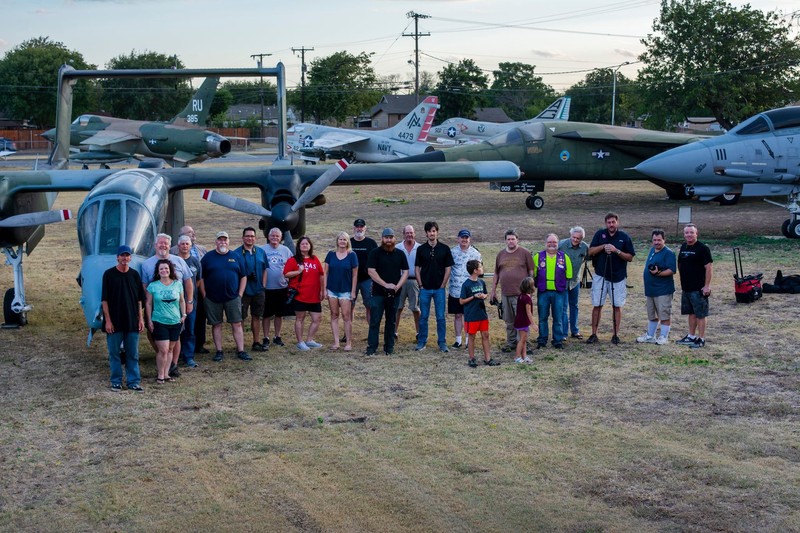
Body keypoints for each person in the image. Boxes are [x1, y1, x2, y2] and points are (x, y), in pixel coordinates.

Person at [140, 233, 194, 377]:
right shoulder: (146, 264)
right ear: (155, 245)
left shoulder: (179, 261)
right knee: (153, 334)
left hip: (176, 308)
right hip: (156, 307)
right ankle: (162, 359)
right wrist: (147, 308)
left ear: (170, 246)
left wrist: (189, 301)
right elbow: (144, 286)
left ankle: (173, 365)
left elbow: (188, 282)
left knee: (176, 337)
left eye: (166, 243)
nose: (163, 245)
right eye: (160, 243)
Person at [199, 231, 251, 362]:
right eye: (220, 240)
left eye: (225, 240)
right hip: (212, 298)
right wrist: (204, 295)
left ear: (229, 241)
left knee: (237, 324)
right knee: (216, 325)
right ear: (216, 242)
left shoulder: (236, 256)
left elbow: (243, 276)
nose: (222, 242)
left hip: (233, 298)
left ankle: (241, 350)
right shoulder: (207, 258)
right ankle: (219, 351)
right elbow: (201, 278)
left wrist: (239, 294)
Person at [101, 245, 146, 392]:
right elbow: (105, 300)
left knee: (132, 353)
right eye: (122, 256)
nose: (125, 258)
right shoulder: (109, 275)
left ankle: (133, 381)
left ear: (130, 258)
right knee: (114, 353)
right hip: (114, 322)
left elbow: (140, 300)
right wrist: (107, 320)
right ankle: (116, 381)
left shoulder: (134, 275)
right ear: (117, 257)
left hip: (131, 321)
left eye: (127, 256)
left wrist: (140, 319)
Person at [586, 213, 635, 345]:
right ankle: (594, 334)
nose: (611, 225)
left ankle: (615, 334)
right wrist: (603, 247)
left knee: (617, 306)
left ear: (617, 222)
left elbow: (630, 257)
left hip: (618, 277)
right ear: (605, 223)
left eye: (613, 222)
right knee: (597, 304)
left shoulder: (624, 237)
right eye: (609, 222)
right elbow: (590, 252)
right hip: (600, 275)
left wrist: (616, 251)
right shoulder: (599, 234)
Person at [490, 229, 535, 353]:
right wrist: (493, 290)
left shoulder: (525, 253)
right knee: (509, 320)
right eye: (508, 239)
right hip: (506, 293)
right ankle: (511, 343)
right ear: (505, 241)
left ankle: (525, 343)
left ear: (517, 240)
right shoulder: (500, 255)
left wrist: (530, 291)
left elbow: (531, 272)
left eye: (513, 239)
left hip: (520, 295)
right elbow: (496, 273)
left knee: (522, 320)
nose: (510, 241)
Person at [366, 228, 408, 356]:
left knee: (391, 321)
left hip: (394, 294)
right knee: (375, 320)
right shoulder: (375, 253)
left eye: (391, 238)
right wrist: (385, 284)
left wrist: (397, 286)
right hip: (378, 293)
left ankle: (389, 348)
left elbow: (405, 271)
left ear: (394, 239)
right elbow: (371, 271)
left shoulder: (400, 254)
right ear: (382, 239)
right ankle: (372, 348)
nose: (388, 240)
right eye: (386, 238)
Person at [415, 221, 455, 352]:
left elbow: (448, 268)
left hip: (439, 289)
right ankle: (422, 341)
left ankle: (442, 342)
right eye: (429, 231)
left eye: (434, 231)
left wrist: (443, 284)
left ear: (437, 232)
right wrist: (420, 285)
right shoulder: (421, 249)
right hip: (425, 289)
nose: (432, 233)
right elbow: (417, 268)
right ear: (426, 233)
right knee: (424, 316)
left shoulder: (445, 249)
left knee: (440, 317)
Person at [146, 259, 186, 384]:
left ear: (170, 270)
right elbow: (148, 303)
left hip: (175, 321)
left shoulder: (177, 284)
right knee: (162, 350)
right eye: (161, 269)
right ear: (158, 272)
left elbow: (181, 300)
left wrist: (183, 314)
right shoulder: (153, 286)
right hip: (159, 320)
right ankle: (160, 375)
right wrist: (149, 320)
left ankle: (167, 373)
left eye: (166, 268)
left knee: (170, 350)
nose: (164, 271)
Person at [169, 225, 208, 354]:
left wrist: (192, 291)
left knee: (197, 321)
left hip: (194, 295)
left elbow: (198, 279)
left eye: (192, 232)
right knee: (180, 325)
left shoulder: (201, 250)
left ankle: (197, 347)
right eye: (190, 232)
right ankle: (178, 352)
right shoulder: (172, 253)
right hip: (177, 296)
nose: (193, 234)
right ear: (179, 240)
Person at [675, 224, 713, 349]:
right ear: (684, 234)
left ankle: (701, 339)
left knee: (700, 314)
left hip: (699, 288)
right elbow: (680, 264)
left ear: (696, 234)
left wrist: (707, 286)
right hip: (686, 287)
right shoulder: (683, 247)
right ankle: (691, 336)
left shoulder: (703, 248)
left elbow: (708, 267)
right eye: (687, 233)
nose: (689, 235)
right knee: (691, 313)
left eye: (691, 232)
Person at [283, 236, 325, 351]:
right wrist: (298, 271)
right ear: (299, 246)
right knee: (300, 318)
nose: (305, 245)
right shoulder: (293, 260)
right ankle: (300, 342)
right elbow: (286, 274)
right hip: (300, 295)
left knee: (317, 319)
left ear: (310, 246)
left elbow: (321, 275)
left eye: (307, 243)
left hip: (314, 295)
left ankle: (310, 340)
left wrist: (322, 289)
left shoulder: (314, 259)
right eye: (302, 244)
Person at [637, 229, 677, 345]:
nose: (656, 242)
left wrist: (658, 273)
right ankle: (650, 335)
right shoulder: (652, 250)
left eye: (659, 240)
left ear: (664, 240)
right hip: (651, 289)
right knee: (652, 314)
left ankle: (664, 336)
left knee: (664, 314)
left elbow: (672, 270)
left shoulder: (668, 253)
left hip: (663, 290)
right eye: (654, 240)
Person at [533, 234, 572, 349]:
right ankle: (542, 339)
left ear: (558, 243)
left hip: (559, 292)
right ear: (545, 243)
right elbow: (533, 274)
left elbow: (569, 275)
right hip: (543, 292)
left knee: (558, 317)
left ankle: (557, 340)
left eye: (554, 242)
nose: (552, 244)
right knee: (543, 317)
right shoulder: (538, 257)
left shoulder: (564, 257)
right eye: (549, 242)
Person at [459, 260, 499, 367]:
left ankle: (488, 358)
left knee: (485, 335)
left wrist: (483, 296)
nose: (482, 268)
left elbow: (485, 294)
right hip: (471, 315)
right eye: (480, 267)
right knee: (471, 336)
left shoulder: (481, 282)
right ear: (475, 270)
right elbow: (461, 301)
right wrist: (473, 297)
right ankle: (471, 358)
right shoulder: (466, 284)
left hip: (482, 314)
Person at [235, 227, 268, 352]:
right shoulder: (236, 253)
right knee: (241, 318)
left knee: (256, 316)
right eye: (247, 236)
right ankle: (241, 344)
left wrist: (263, 285)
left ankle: (256, 342)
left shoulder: (260, 252)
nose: (250, 238)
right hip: (242, 292)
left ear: (256, 238)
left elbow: (265, 269)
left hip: (258, 290)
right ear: (243, 238)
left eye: (252, 236)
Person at [324, 232, 358, 351]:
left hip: (345, 291)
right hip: (332, 290)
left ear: (348, 241)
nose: (342, 241)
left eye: (345, 239)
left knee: (346, 316)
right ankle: (336, 342)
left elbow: (354, 275)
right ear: (337, 241)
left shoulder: (352, 255)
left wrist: (353, 291)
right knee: (334, 315)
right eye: (340, 239)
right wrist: (325, 289)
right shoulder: (331, 254)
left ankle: (348, 342)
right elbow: (326, 273)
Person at [449, 228, 481, 349]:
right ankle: (458, 340)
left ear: (470, 239)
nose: (464, 240)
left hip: (470, 290)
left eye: (466, 238)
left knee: (468, 315)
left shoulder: (475, 254)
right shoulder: (452, 252)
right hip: (455, 290)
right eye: (462, 237)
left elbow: (478, 271)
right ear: (458, 239)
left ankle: (469, 340)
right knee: (458, 315)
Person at [261, 227, 293, 348]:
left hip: (281, 287)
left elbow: (291, 266)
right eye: (272, 236)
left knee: (279, 314)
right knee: (266, 315)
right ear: (268, 237)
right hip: (266, 288)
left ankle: (277, 336)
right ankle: (265, 337)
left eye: (277, 236)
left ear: (281, 238)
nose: (275, 238)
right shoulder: (262, 250)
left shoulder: (286, 250)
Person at [558, 226, 589, 340]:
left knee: (574, 305)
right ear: (570, 236)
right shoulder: (561, 244)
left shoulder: (585, 247)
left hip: (575, 281)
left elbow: (588, 257)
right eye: (574, 237)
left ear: (582, 239)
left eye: (578, 238)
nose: (575, 240)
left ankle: (575, 331)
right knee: (564, 307)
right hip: (562, 281)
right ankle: (563, 333)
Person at [175, 235, 201, 368]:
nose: (185, 246)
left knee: (190, 330)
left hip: (191, 303)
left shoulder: (195, 261)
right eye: (182, 244)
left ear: (191, 246)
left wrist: (190, 300)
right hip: (175, 304)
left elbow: (198, 281)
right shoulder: (173, 261)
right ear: (178, 246)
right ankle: (175, 356)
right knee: (177, 330)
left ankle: (189, 357)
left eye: (187, 244)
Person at [395, 224, 421, 340]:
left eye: (411, 233)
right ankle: (393, 332)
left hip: (414, 281)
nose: (409, 235)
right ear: (403, 234)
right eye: (407, 233)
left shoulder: (420, 248)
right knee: (398, 307)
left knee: (415, 308)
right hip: (400, 281)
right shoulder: (398, 248)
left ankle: (419, 332)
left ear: (414, 233)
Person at [350, 218, 378, 325]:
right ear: (354, 228)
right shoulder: (349, 242)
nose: (359, 228)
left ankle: (372, 331)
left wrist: (375, 280)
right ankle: (348, 334)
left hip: (367, 279)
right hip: (352, 280)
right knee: (350, 306)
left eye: (361, 226)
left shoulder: (371, 243)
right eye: (357, 226)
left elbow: (377, 262)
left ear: (365, 228)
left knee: (369, 305)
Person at [514, 277, 536, 364]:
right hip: (523, 322)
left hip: (519, 320)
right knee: (522, 340)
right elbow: (528, 312)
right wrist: (533, 324)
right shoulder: (527, 298)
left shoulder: (521, 296)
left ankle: (524, 356)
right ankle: (517, 356)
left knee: (524, 339)